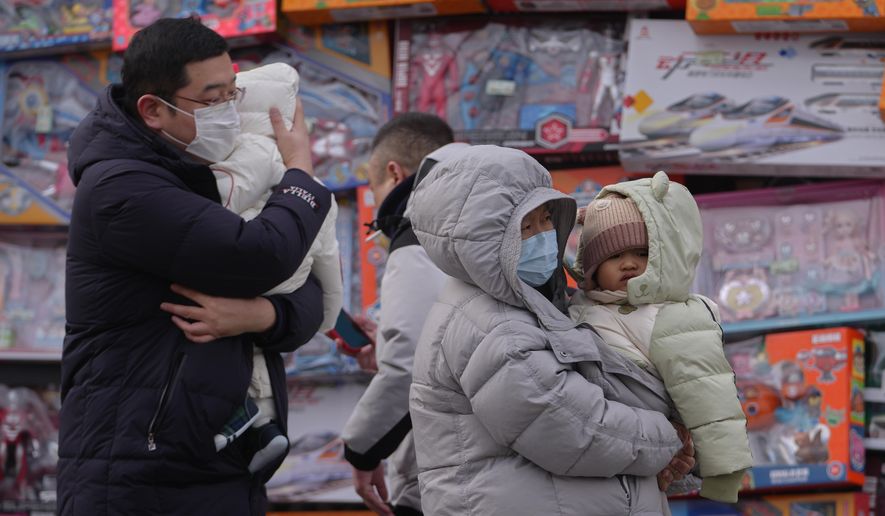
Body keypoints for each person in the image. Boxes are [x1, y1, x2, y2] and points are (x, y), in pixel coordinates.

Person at [58, 18, 330, 516]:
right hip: (138, 472)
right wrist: (301, 176)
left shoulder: (216, 173)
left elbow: (308, 288)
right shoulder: (122, 189)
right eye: (213, 99)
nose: (230, 110)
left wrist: (261, 318)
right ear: (154, 110)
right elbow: (262, 257)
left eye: (233, 92)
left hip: (218, 462)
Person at [406, 145, 695, 515]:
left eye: (545, 219)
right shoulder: (489, 324)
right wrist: (670, 439)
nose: (544, 235)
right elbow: (572, 427)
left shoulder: (533, 303)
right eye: (526, 227)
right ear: (478, 241)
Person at [568, 171, 753, 503]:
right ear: (592, 268)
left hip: (653, 447)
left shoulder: (674, 316)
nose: (628, 264)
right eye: (612, 256)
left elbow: (710, 399)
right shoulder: (581, 306)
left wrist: (723, 473)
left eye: (641, 253)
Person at [210, 62, 344, 474]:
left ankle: (240, 417)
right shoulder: (311, 183)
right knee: (253, 345)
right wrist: (331, 312)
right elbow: (329, 257)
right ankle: (264, 427)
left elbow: (225, 196)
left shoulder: (241, 155)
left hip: (248, 260)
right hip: (293, 275)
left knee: (234, 343)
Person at [340, 112, 465, 516]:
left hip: (452, 473)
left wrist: (361, 451)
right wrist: (387, 341)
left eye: (374, 186)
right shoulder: (496, 225)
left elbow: (409, 365)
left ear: (394, 173)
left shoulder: (417, 237)